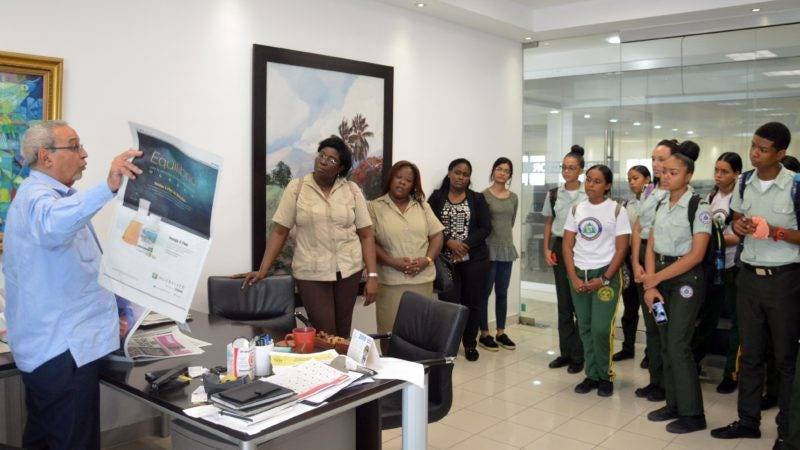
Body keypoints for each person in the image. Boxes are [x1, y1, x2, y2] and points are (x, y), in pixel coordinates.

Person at [3, 120, 142, 449]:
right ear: (46, 156)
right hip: (61, 352)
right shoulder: (37, 200)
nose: (84, 154)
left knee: (46, 438)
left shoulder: (60, 199)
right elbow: (53, 225)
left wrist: (118, 310)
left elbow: (85, 268)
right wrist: (108, 187)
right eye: (75, 146)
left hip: (63, 348)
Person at [712, 123, 800, 449]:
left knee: (785, 359)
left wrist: (775, 231)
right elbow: (736, 219)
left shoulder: (795, 185)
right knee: (749, 354)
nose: (754, 153)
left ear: (780, 153)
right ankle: (747, 421)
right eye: (753, 146)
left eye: (762, 149)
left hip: (785, 281)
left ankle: (788, 432)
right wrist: (743, 225)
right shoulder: (745, 181)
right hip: (748, 276)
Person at [243, 136, 378, 337]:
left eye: (332, 159)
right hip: (311, 273)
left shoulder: (352, 190)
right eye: (322, 155)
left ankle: (340, 368)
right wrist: (263, 270)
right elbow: (280, 231)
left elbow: (366, 235)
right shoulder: (297, 188)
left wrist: (372, 276)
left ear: (340, 167)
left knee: (342, 335)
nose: (323, 161)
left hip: (349, 271)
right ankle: (329, 366)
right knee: (326, 334)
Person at [642, 141, 710, 434]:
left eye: (673, 172)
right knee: (664, 337)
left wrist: (655, 278)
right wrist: (649, 283)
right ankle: (673, 403)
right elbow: (652, 243)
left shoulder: (699, 206)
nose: (665, 176)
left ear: (688, 175)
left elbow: (696, 255)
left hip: (685, 282)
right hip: (659, 282)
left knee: (678, 344)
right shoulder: (659, 202)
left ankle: (693, 414)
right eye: (664, 172)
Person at [563, 164, 631, 397]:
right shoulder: (576, 210)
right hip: (580, 274)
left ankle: (605, 375)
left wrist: (604, 278)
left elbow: (622, 249)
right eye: (589, 180)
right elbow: (567, 245)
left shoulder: (617, 210)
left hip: (606, 276)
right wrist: (572, 277)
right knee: (585, 328)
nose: (591, 185)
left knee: (601, 329)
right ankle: (591, 375)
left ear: (608, 185)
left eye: (597, 181)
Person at [368, 161, 444, 341]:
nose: (402, 182)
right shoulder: (374, 207)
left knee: (420, 333)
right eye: (398, 177)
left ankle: (416, 369)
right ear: (391, 179)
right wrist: (391, 261)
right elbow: (369, 241)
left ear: (413, 185)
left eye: (408, 180)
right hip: (391, 283)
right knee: (390, 334)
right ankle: (391, 368)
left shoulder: (422, 206)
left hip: (422, 281)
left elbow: (437, 236)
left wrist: (427, 260)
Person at [429, 158, 492, 361]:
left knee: (472, 303)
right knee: (449, 304)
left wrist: (464, 243)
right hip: (445, 261)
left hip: (474, 260)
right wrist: (448, 242)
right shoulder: (437, 198)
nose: (461, 177)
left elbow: (485, 228)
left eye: (465, 174)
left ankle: (470, 344)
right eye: (457, 172)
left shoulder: (477, 199)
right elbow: (428, 225)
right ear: (449, 173)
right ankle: (449, 345)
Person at [631, 139, 680, 402]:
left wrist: (649, 272)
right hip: (643, 265)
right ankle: (655, 380)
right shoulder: (650, 190)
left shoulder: (678, 193)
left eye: (662, 159)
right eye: (654, 159)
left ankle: (667, 385)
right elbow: (638, 227)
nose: (657, 164)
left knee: (664, 327)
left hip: (662, 268)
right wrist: (635, 263)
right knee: (651, 325)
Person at [693, 152, 742, 394]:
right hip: (712, 267)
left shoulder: (739, 200)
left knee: (737, 323)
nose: (719, 176)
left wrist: (714, 239)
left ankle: (731, 374)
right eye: (717, 171)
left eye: (725, 172)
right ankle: (694, 363)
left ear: (736, 174)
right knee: (706, 319)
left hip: (733, 268)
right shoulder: (710, 198)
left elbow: (739, 236)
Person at [542, 145, 587, 373]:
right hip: (560, 247)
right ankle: (566, 353)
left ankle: (580, 355)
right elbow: (549, 223)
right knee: (564, 305)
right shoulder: (553, 194)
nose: (567, 171)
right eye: (564, 167)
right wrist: (546, 249)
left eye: (572, 168)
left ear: (581, 170)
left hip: (582, 249)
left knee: (580, 304)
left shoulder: (588, 194)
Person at [479, 157, 519, 351]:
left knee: (502, 292)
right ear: (493, 171)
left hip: (506, 250)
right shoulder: (483, 196)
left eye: (506, 170)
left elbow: (510, 222)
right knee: (484, 293)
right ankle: (484, 334)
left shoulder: (513, 198)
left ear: (510, 175)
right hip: (488, 250)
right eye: (499, 169)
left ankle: (501, 332)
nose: (502, 173)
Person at [613, 165, 651, 362]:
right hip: (628, 260)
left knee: (651, 308)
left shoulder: (654, 201)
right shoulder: (628, 204)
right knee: (629, 306)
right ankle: (628, 347)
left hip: (648, 259)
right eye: (629, 179)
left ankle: (651, 353)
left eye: (636, 178)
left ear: (647, 178)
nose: (632, 182)